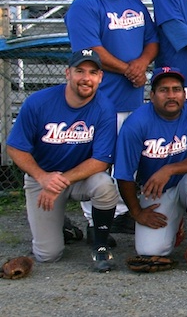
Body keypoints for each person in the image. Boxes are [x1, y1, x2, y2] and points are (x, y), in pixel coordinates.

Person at [66, 0, 158, 239]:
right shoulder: (84, 6)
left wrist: (141, 64)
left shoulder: (134, 4)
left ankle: (120, 215)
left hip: (131, 98)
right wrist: (128, 69)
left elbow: (152, 40)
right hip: (99, 100)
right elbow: (91, 52)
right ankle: (96, 223)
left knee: (127, 159)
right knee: (97, 161)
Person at [6, 49, 118, 272]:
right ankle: (64, 228)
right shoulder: (38, 102)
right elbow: (15, 147)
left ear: (100, 78)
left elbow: (100, 161)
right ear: (67, 73)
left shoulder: (105, 108)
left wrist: (60, 181)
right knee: (48, 255)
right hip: (42, 177)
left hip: (79, 178)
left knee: (105, 185)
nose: (86, 78)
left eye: (93, 72)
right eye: (80, 71)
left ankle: (100, 245)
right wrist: (43, 177)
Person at [114, 67, 187, 271]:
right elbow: (124, 174)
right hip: (156, 190)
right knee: (150, 251)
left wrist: (169, 169)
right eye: (164, 90)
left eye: (176, 89)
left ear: (184, 93)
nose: (171, 95)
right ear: (151, 96)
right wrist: (136, 212)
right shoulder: (135, 123)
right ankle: (175, 223)